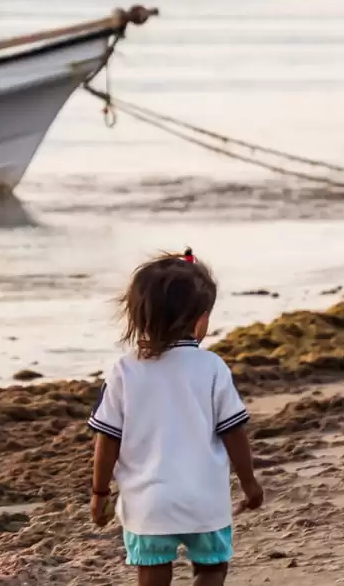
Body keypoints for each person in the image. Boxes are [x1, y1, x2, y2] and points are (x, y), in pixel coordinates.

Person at [89, 249, 265, 586]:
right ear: (200, 319)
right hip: (204, 500)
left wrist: (99, 492)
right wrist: (249, 482)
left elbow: (107, 439)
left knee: (153, 571)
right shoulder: (211, 367)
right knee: (212, 569)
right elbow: (233, 433)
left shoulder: (124, 370)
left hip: (148, 504)